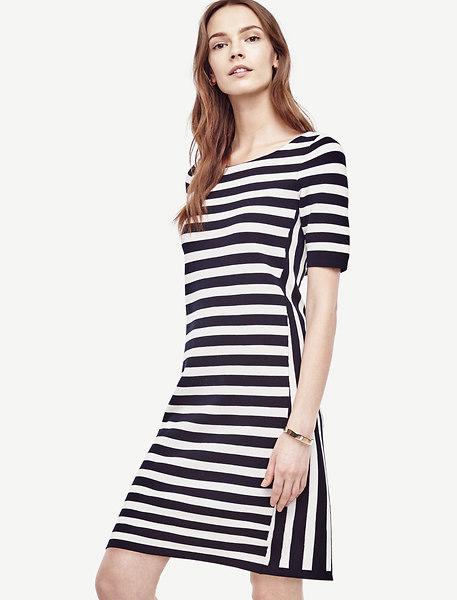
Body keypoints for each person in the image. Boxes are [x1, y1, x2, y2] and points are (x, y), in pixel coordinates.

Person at [95, 1, 350, 598]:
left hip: (273, 406)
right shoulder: (202, 175)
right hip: (198, 399)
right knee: (119, 579)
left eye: (251, 37)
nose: (236, 50)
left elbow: (323, 308)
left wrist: (298, 433)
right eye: (219, 43)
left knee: (273, 588)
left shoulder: (317, 158)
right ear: (208, 68)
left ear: (276, 55)